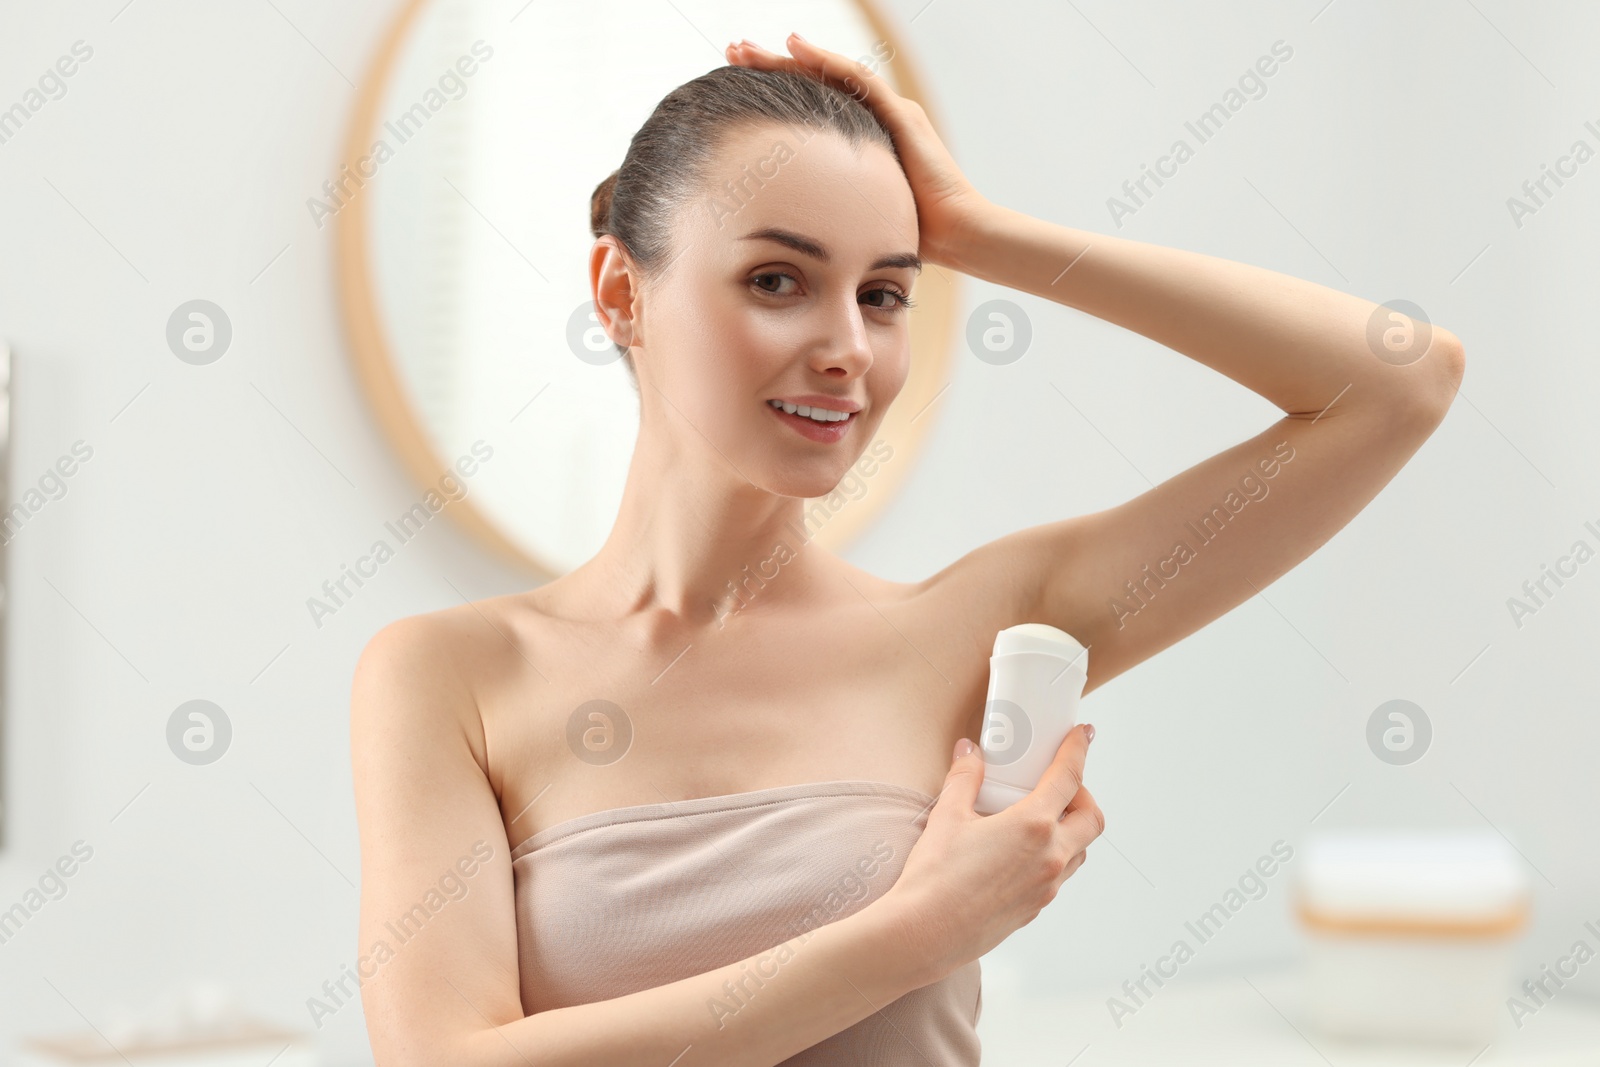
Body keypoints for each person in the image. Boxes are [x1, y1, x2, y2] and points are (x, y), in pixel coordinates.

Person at [349, 32, 1463, 1067]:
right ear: (619, 292)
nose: (847, 349)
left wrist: (982, 233)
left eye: (884, 293)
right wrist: (916, 932)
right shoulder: (450, 676)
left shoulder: (971, 632)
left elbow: (1398, 382)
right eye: (777, 279)